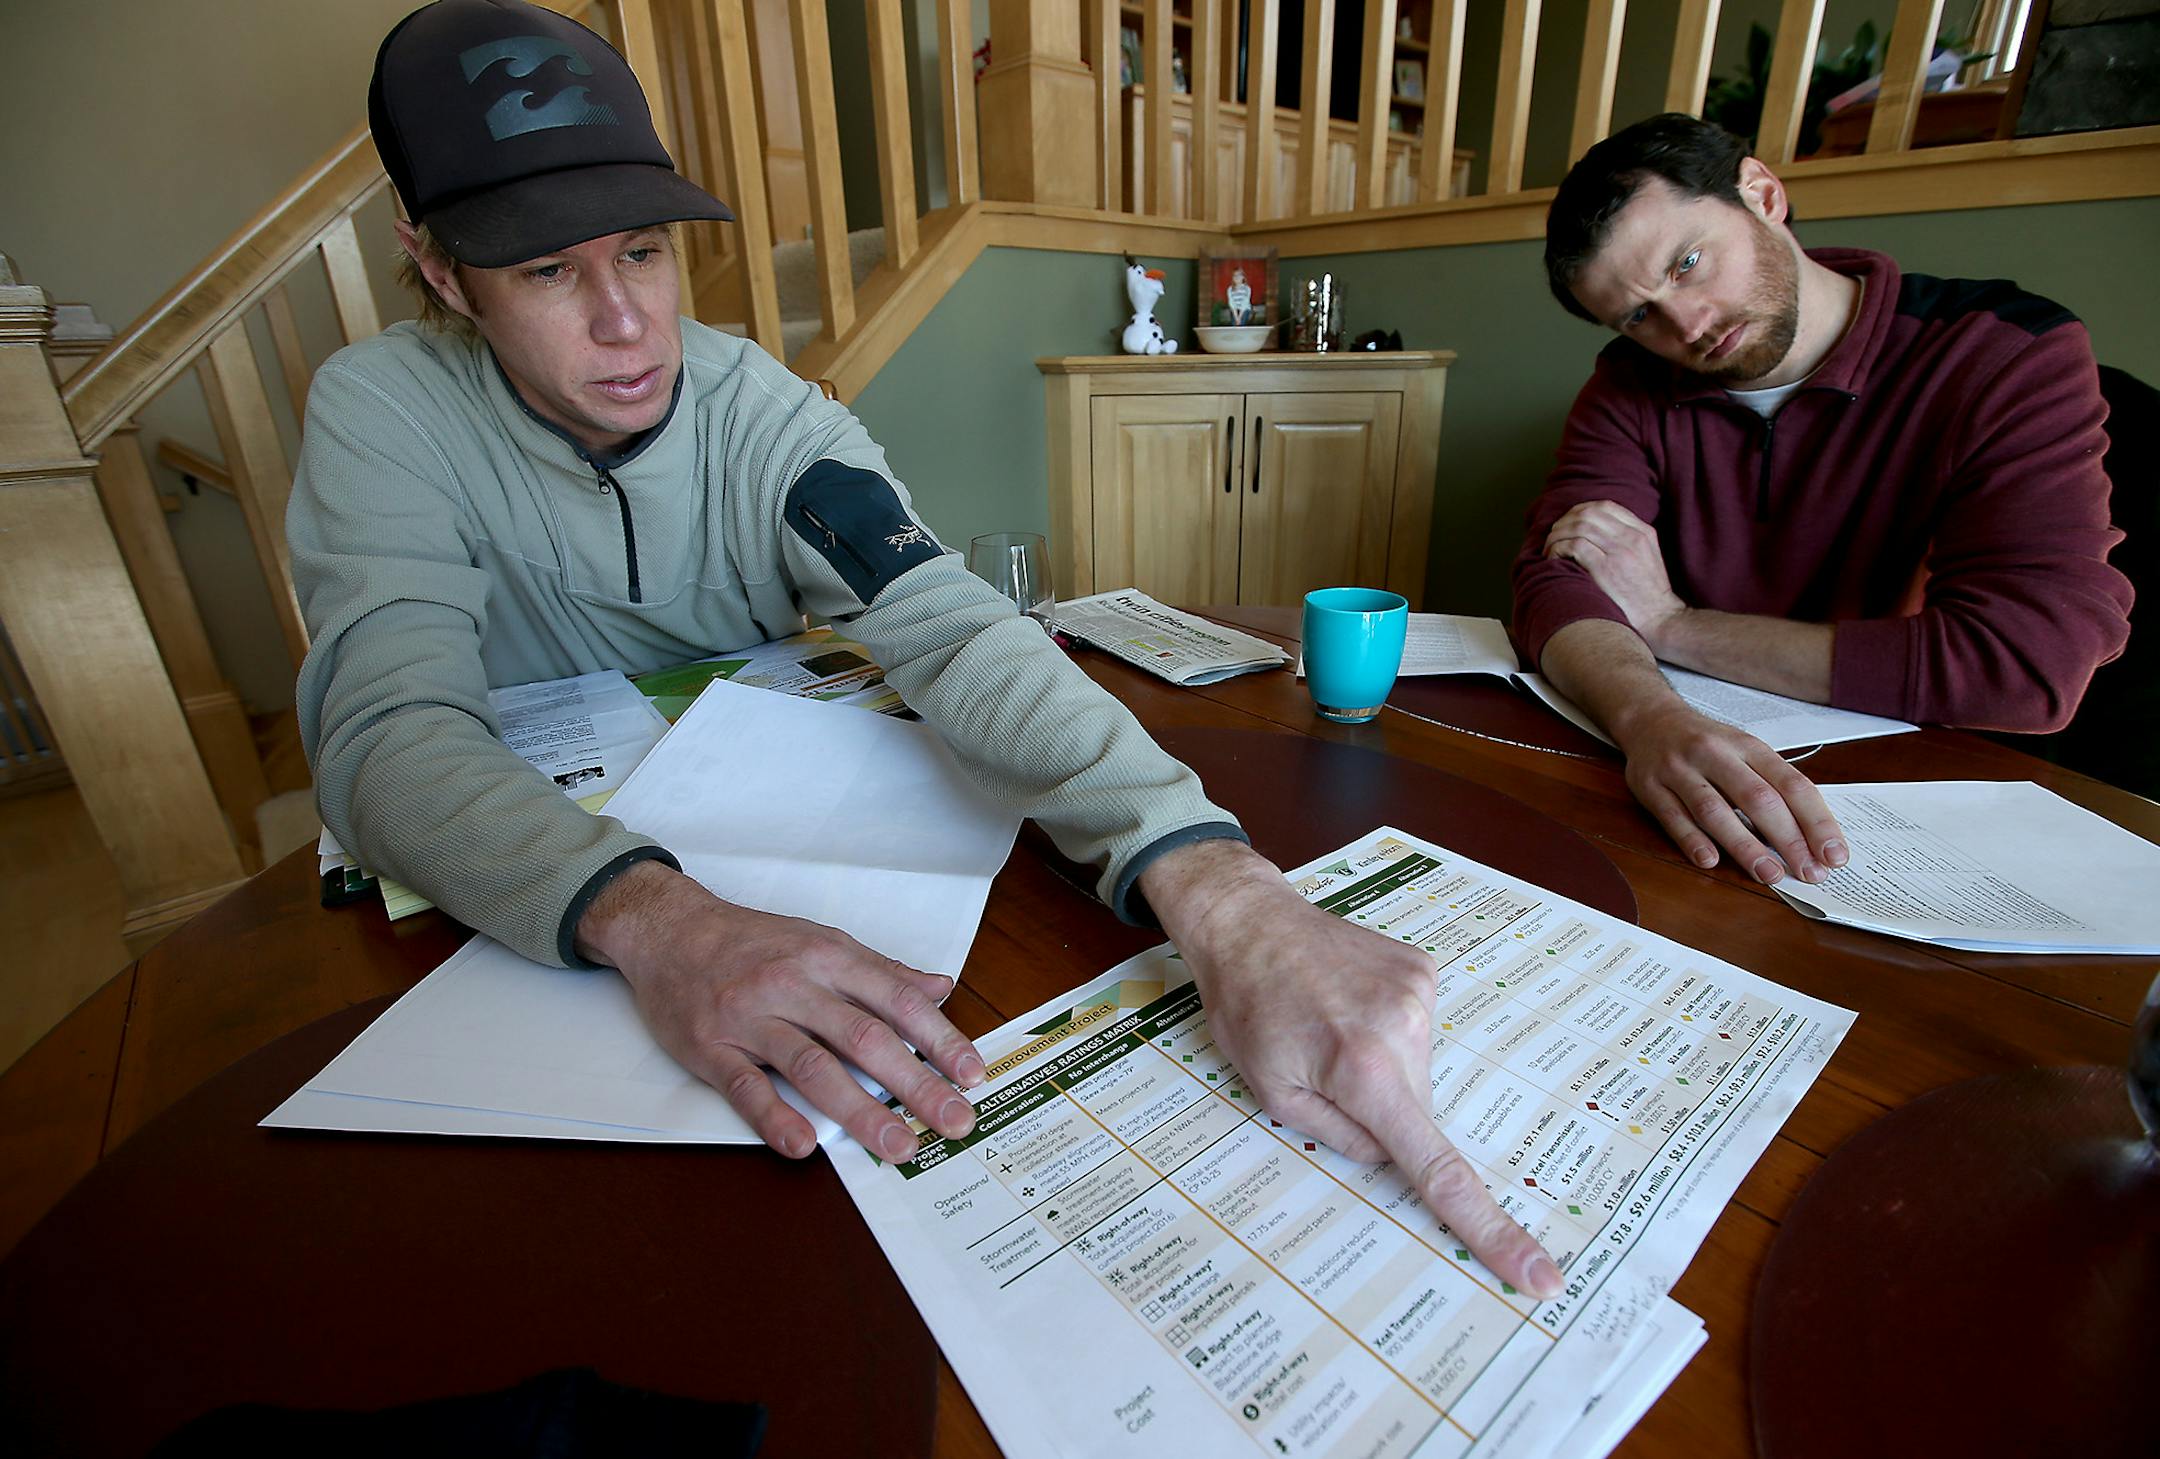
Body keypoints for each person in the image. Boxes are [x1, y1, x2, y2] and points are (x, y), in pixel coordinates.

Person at [290, 0, 1564, 1300]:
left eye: (646, 251)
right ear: (441, 272)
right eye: (548, 271)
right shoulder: (384, 409)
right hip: (545, 890)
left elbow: (952, 628)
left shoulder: (763, 410)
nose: (628, 322)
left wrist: (1218, 882)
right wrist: (660, 922)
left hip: (793, 835)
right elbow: (384, 737)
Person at [1515, 113, 2131, 886]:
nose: (1689, 325)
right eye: (1639, 315)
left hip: (1916, 800)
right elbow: (1556, 578)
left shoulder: (2003, 351)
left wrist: (1670, 623)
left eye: (1688, 263)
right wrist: (1647, 715)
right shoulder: (1629, 381)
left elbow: (2024, 664)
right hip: (1689, 758)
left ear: (1763, 193)